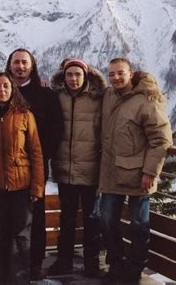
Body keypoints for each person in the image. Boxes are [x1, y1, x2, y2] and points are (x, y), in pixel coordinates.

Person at [100, 58, 173, 282]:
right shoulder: (109, 95)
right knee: (107, 220)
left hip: (139, 175)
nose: (115, 78)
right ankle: (116, 264)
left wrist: (150, 172)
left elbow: (161, 139)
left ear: (131, 74)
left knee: (139, 226)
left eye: (120, 73)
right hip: (111, 172)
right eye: (111, 74)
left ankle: (135, 269)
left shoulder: (146, 101)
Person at [5, 48, 63, 280]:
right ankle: (9, 262)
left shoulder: (45, 94)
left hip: (35, 165)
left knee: (35, 216)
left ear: (32, 66)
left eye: (24, 63)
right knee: (6, 216)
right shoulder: (2, 90)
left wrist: (41, 156)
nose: (20, 66)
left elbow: (56, 128)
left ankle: (35, 262)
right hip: (6, 167)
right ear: (9, 65)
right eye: (16, 62)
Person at [0, 72, 44, 284]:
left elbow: (36, 151)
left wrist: (37, 186)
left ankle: (19, 279)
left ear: (12, 89)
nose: (2, 90)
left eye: (6, 86)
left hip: (22, 185)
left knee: (21, 235)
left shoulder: (25, 114)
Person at [48, 59, 106, 277]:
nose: (73, 79)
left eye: (77, 75)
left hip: (90, 167)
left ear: (85, 76)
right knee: (67, 217)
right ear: (64, 77)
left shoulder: (97, 98)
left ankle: (92, 264)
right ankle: (64, 262)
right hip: (64, 167)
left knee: (92, 219)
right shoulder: (58, 98)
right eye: (69, 75)